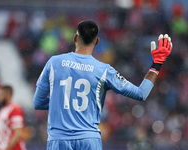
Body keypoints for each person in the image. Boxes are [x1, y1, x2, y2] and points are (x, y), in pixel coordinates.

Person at [33, 20, 172, 150]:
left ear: (75, 38)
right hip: (89, 140)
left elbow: (38, 102)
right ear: (97, 41)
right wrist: (157, 63)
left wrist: (63, 103)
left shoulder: (54, 63)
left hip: (59, 140)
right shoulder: (103, 70)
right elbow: (141, 94)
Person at [0, 85, 26, 150]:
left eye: (0, 95)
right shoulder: (2, 111)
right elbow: (3, 140)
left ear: (8, 95)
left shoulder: (15, 109)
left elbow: (17, 134)